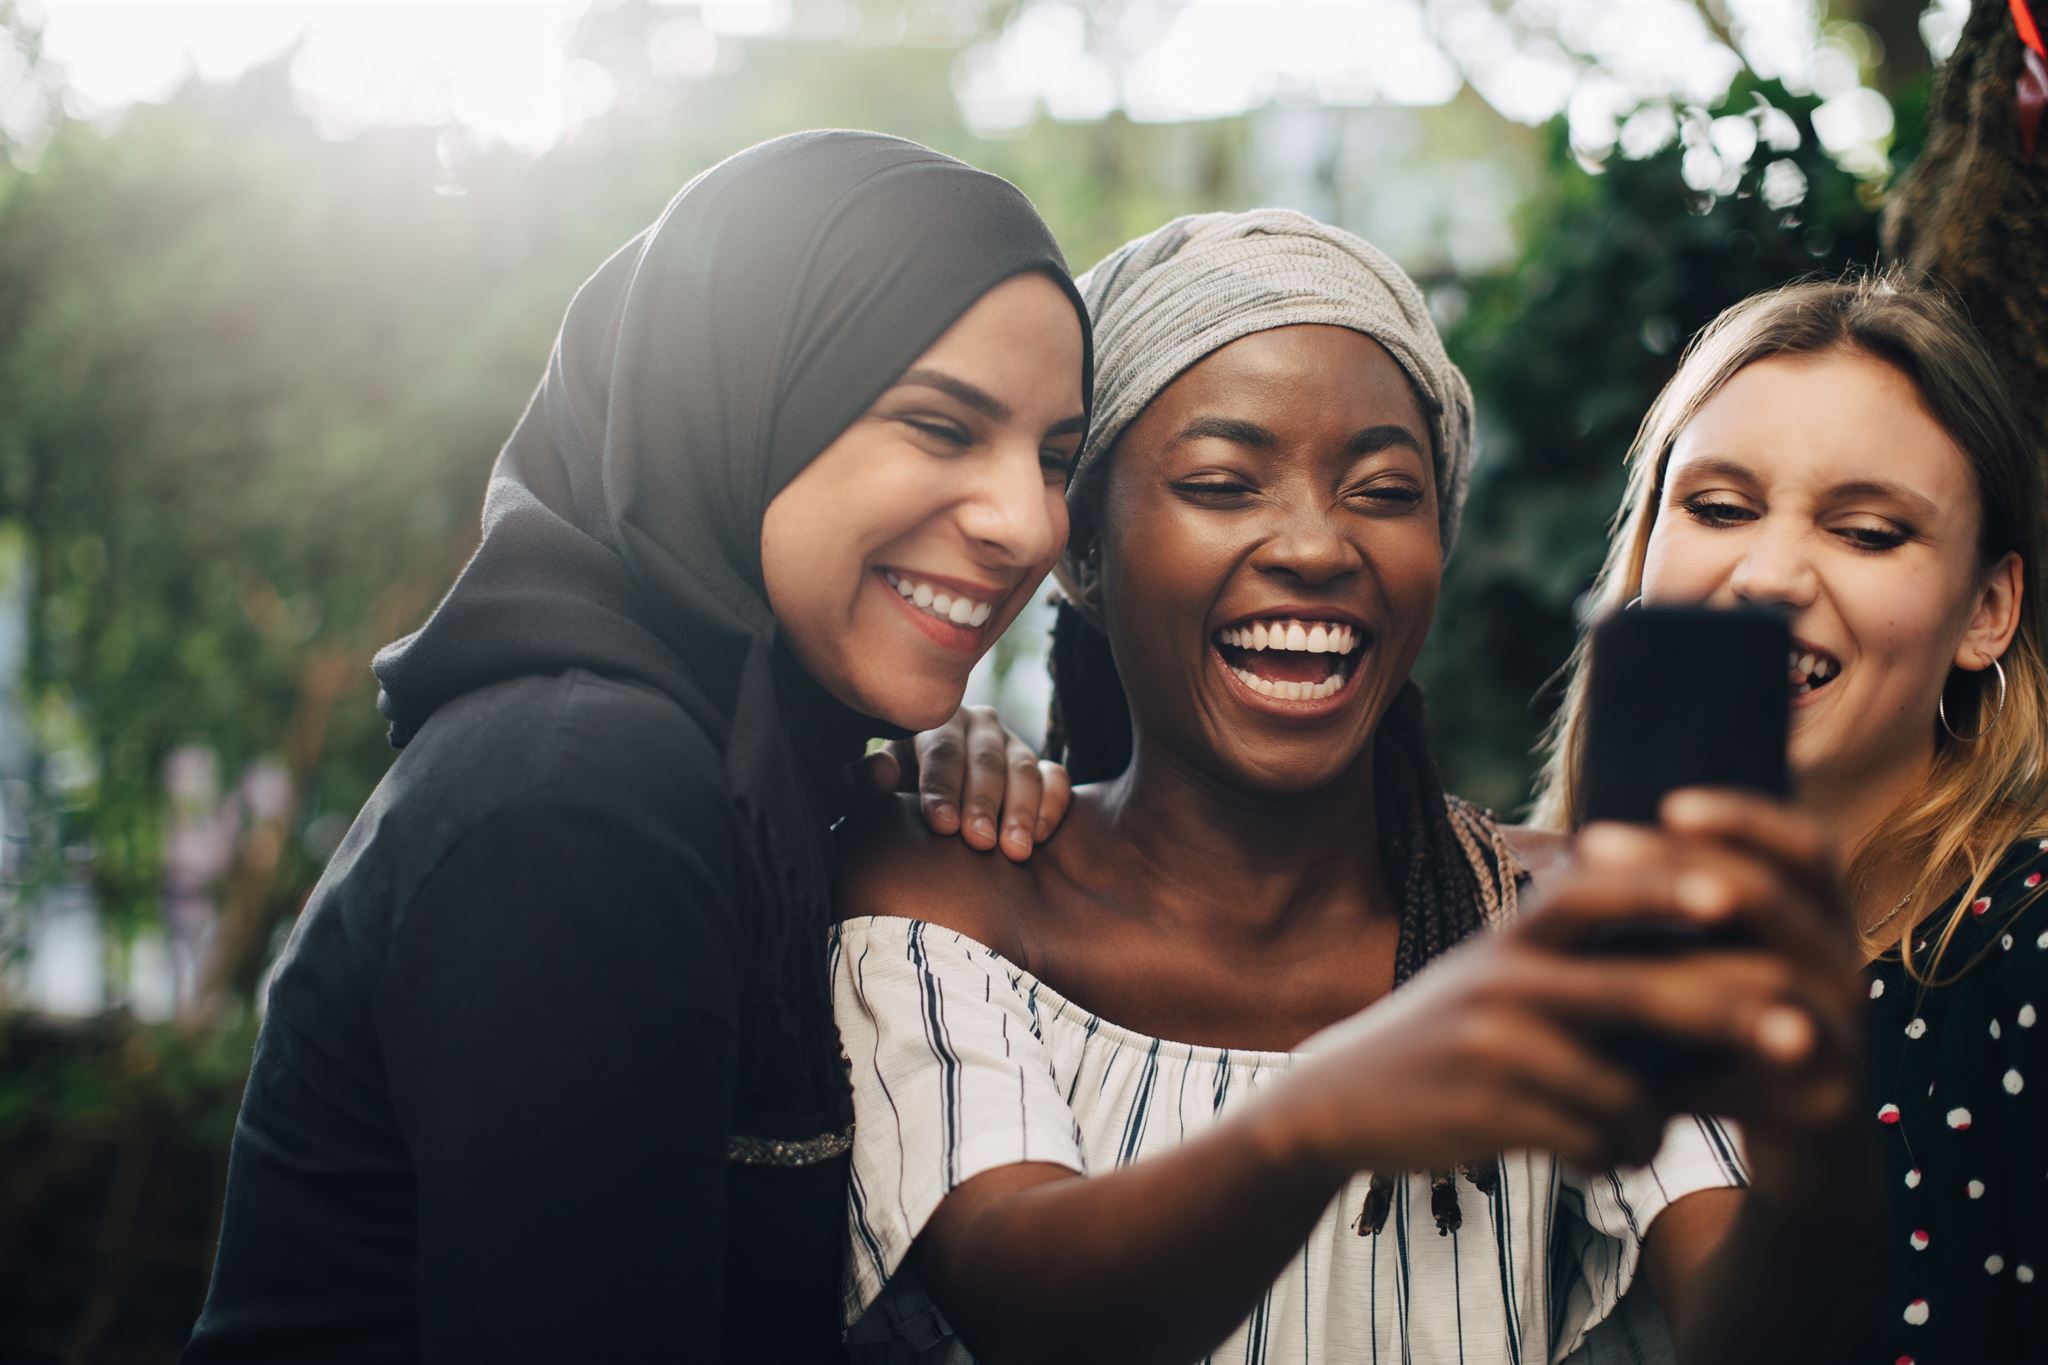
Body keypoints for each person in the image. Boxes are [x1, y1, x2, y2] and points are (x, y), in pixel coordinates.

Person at [830, 210, 1878, 1365]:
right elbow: (1033, 1313)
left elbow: (1750, 1338)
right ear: (1081, 552)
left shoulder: (1559, 922)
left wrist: (1808, 1145)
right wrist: (1333, 1109)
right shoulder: (950, 889)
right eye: (1223, 483)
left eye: (1383, 491)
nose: (1317, 546)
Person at [184, 131, 1090, 1365]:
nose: (1021, 522)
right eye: (938, 426)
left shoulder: (757, 777)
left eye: (1056, 459)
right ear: (739, 401)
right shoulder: (579, 797)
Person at [1532, 271, 2048, 1364]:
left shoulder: (2022, 952)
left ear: (1987, 609)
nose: (1768, 575)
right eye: (1717, 509)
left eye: (1865, 532)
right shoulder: (1545, 925)